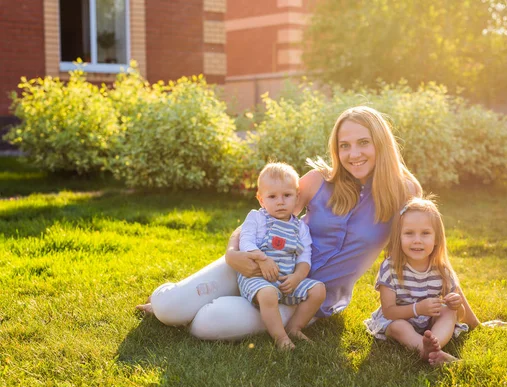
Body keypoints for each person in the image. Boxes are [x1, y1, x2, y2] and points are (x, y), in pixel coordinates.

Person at [136, 106, 480, 341]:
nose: (353, 153)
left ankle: (193, 304)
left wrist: (472, 320)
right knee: (169, 308)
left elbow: (432, 255)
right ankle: (171, 301)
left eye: (363, 143)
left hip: (309, 297)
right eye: (344, 145)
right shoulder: (317, 180)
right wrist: (231, 252)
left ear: (381, 144)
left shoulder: (404, 192)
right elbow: (260, 218)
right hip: (258, 263)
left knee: (206, 324)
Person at [364, 197, 469, 365]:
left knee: (449, 313)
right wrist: (417, 308)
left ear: (436, 239)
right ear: (399, 237)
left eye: (425, 233)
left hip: (429, 324)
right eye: (409, 233)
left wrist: (456, 306)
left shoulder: (443, 271)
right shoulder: (391, 268)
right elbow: (389, 311)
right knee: (399, 326)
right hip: (398, 319)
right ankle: (427, 350)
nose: (417, 240)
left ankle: (434, 344)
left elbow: (460, 315)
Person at [237, 162, 325, 350]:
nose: (280, 201)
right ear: (261, 200)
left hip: (286, 280)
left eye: (287, 195)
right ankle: (280, 337)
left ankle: (295, 327)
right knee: (268, 293)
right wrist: (262, 259)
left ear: (297, 196)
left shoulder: (300, 227)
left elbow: (304, 258)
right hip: (256, 278)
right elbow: (245, 242)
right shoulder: (256, 218)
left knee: (319, 290)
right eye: (272, 196)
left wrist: (297, 277)